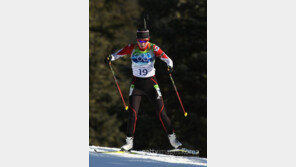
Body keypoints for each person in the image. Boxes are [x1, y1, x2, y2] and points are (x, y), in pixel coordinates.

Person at [105, 25, 182, 151]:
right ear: (137, 40)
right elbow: (117, 54)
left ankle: (173, 140)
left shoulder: (153, 47)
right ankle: (129, 142)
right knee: (132, 114)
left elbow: (168, 60)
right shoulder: (132, 47)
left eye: (144, 41)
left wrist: (170, 66)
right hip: (137, 85)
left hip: (151, 84)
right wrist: (110, 58)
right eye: (140, 41)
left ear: (148, 39)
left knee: (161, 113)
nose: (142, 44)